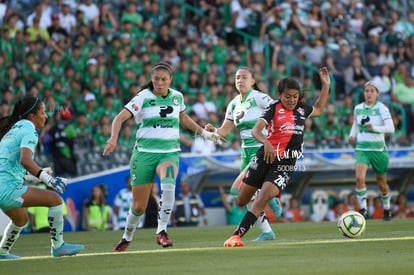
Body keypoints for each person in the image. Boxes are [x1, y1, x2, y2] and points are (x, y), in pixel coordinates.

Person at [103, 62, 224, 252]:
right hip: (143, 155)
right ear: (152, 79)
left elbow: (184, 119)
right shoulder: (143, 97)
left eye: (163, 79)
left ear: (170, 80)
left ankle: (162, 231)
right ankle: (126, 237)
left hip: (169, 152)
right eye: (156, 79)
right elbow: (119, 118)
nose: (159, 83)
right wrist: (113, 138)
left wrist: (205, 134)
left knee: (168, 183)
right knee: (139, 206)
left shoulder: (177, 97)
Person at [223, 67, 331, 247]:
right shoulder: (274, 108)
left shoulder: (302, 109)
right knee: (242, 199)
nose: (291, 100)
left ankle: (236, 236)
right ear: (280, 95)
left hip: (285, 163)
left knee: (260, 198)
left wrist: (326, 85)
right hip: (265, 156)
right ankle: (272, 198)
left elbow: (319, 109)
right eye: (288, 96)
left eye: (295, 96)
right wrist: (265, 142)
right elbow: (256, 130)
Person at [0, 96, 83, 259]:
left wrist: (35, 177)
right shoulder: (28, 129)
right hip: (7, 188)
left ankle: (2, 252)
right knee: (55, 200)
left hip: (3, 185)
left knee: (21, 219)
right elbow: (25, 159)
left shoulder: (14, 129)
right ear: (32, 116)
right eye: (43, 112)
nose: (46, 116)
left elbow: (10, 164)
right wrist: (48, 180)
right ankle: (58, 247)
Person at [205, 66, 281, 241]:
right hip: (245, 151)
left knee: (236, 191)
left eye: (244, 77)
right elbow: (224, 130)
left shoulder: (259, 97)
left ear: (253, 81)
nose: (240, 80)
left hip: (260, 148)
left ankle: (271, 197)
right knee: (247, 197)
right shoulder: (234, 103)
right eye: (237, 77)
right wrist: (212, 131)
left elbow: (277, 112)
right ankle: (267, 231)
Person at [348, 81, 395, 221]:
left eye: (372, 91)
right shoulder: (358, 108)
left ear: (377, 93)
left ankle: (386, 207)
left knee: (382, 183)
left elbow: (391, 128)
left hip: (378, 150)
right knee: (359, 178)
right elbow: (356, 124)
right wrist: (352, 135)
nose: (368, 93)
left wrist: (375, 128)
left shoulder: (382, 108)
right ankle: (363, 209)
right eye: (366, 90)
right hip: (362, 149)